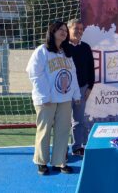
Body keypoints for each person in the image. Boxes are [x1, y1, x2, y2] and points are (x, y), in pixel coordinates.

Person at [26, 21, 80, 175]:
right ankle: (41, 162)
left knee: (63, 130)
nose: (64, 32)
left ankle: (59, 161)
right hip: (47, 99)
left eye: (65, 30)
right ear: (52, 32)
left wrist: (76, 94)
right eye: (60, 30)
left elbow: (73, 74)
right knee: (44, 130)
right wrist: (44, 95)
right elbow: (34, 73)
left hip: (65, 99)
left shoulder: (66, 53)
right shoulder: (41, 51)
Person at [67, 19, 95, 157]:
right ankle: (61, 150)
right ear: (69, 30)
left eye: (81, 29)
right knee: (62, 121)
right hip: (65, 92)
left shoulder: (86, 47)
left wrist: (90, 86)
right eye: (76, 29)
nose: (79, 31)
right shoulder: (63, 48)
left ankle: (77, 147)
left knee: (78, 120)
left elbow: (91, 69)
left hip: (83, 89)